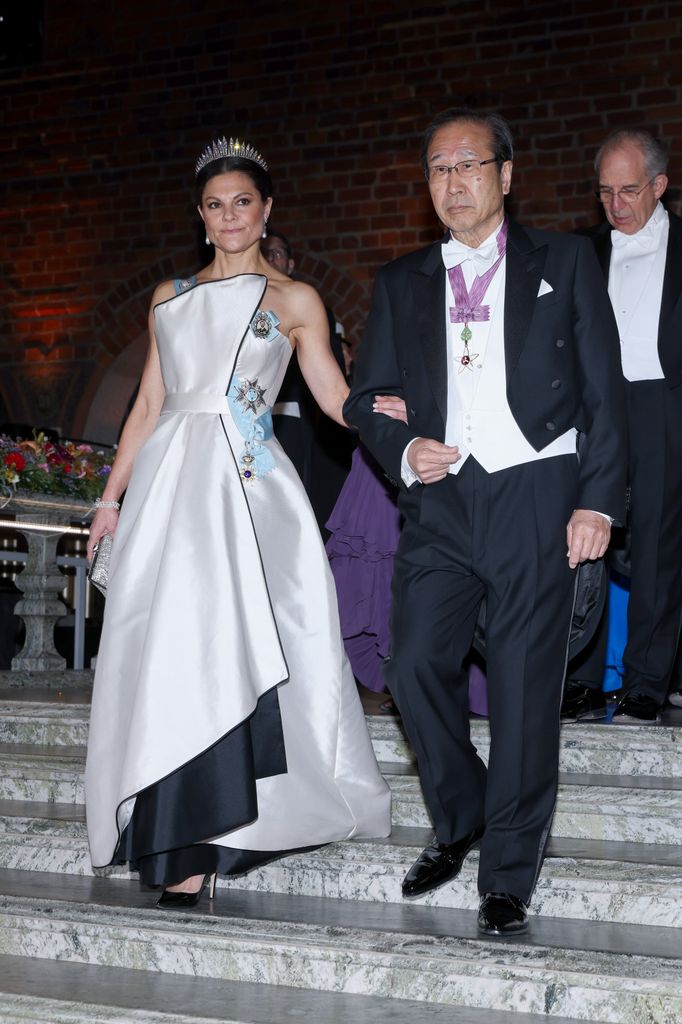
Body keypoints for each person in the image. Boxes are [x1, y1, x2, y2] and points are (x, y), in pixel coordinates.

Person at [85, 137, 391, 908]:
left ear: (266, 211)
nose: (230, 216)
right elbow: (148, 406)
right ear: (201, 214)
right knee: (172, 649)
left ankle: (218, 830)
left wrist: (385, 415)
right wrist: (109, 501)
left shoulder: (295, 301)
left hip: (248, 490)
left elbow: (329, 396)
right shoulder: (169, 297)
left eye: (243, 203)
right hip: (169, 488)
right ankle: (170, 820)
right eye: (216, 205)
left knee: (233, 647)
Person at [344, 108, 626, 936]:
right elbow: (367, 400)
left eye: (469, 165)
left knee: (523, 692)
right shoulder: (401, 281)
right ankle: (463, 812)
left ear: (506, 175)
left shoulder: (568, 260)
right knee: (415, 665)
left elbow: (606, 394)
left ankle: (507, 870)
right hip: (442, 505)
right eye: (437, 168)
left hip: (539, 492)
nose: (453, 182)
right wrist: (404, 445)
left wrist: (598, 501)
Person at [562, 128, 682, 724]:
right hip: (595, 411)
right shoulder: (579, 251)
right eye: (605, 191)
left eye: (630, 190)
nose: (616, 205)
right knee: (584, 542)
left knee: (659, 546)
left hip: (664, 409)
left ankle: (645, 683)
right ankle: (579, 677)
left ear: (659, 186)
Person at [260, 228, 354, 536]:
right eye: (265, 252)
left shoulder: (309, 308)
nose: (270, 258)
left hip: (300, 424)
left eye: (277, 253)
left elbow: (333, 387)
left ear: (290, 264)